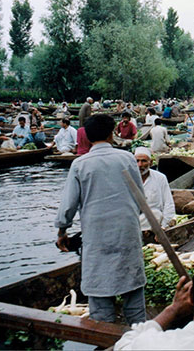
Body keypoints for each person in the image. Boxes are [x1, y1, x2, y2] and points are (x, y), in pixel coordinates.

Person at [55, 114, 146, 326]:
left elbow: (67, 207)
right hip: (127, 235)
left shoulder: (80, 165)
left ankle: (104, 340)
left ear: (86, 136)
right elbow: (140, 199)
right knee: (133, 299)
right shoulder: (127, 159)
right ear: (111, 133)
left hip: (97, 238)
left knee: (100, 297)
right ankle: (139, 340)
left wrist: (62, 232)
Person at [135, 147, 176, 229]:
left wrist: (164, 226)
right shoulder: (128, 178)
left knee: (156, 214)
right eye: (137, 161)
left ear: (150, 163)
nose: (140, 165)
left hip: (153, 220)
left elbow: (168, 203)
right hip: (134, 219)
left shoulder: (160, 178)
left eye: (143, 161)